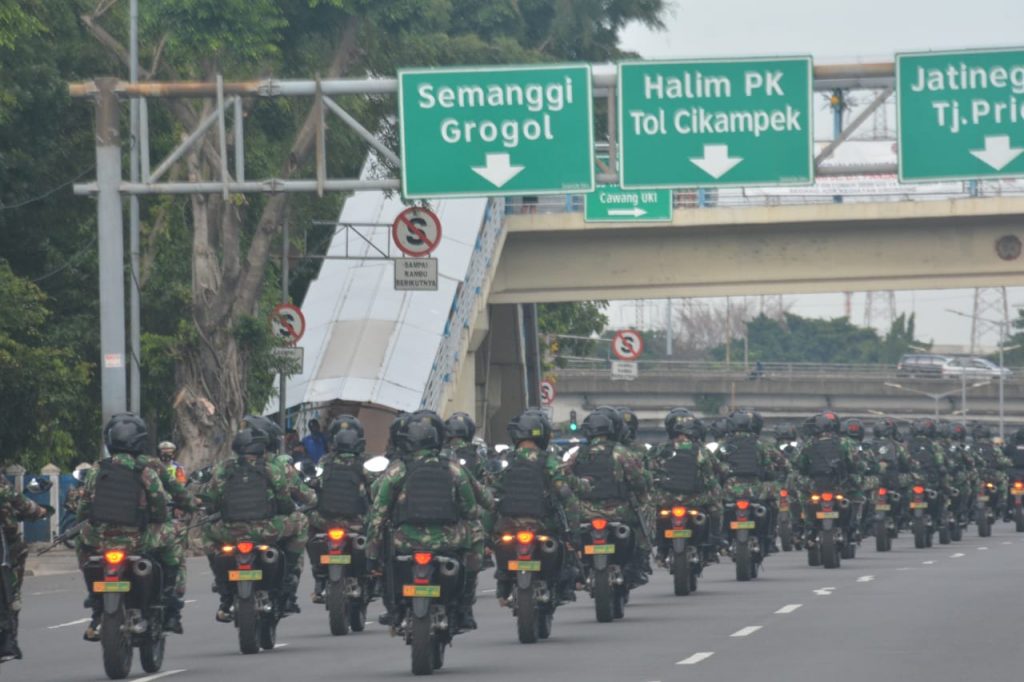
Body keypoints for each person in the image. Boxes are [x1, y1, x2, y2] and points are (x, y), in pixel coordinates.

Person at [365, 410, 482, 631]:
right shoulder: (453, 468)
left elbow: (377, 513)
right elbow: (471, 510)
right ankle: (465, 607)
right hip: (449, 540)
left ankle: (392, 609)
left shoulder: (398, 470)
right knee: (475, 533)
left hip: (405, 541)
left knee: (386, 557)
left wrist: (371, 556)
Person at [77, 413, 182, 640]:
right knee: (173, 535)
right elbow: (160, 510)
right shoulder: (145, 470)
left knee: (81, 539)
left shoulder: (97, 470)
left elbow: (83, 510)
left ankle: (94, 598)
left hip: (101, 540)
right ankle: (169, 596)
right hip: (137, 540)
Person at [200, 426, 313, 622]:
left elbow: (211, 498)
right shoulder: (271, 469)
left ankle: (220, 580)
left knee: (206, 531)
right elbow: (285, 502)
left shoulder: (224, 468)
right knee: (302, 521)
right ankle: (288, 574)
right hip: (266, 530)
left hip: (231, 531)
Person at [491, 409, 582, 604]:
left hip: (509, 525)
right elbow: (566, 496)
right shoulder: (549, 461)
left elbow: (491, 496)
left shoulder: (506, 462)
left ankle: (503, 588)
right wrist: (573, 536)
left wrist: (486, 538)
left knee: (501, 551)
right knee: (566, 553)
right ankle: (564, 589)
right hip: (543, 524)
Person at [570, 406, 651, 586]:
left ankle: (575, 571)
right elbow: (638, 480)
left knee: (569, 538)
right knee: (639, 527)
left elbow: (565, 480)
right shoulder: (620, 452)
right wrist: (641, 495)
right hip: (618, 512)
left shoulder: (578, 454)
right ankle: (637, 566)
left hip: (584, 513)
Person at [306, 416, 373, 604]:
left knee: (308, 526)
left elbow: (315, 485)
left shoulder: (325, 461)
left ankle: (319, 576)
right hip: (357, 522)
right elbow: (376, 488)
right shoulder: (365, 462)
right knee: (378, 528)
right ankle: (372, 572)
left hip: (326, 521)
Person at [647, 409, 725, 562]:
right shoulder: (700, 450)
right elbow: (711, 475)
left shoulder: (660, 449)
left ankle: (660, 549)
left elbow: (649, 472)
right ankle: (715, 542)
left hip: (666, 499)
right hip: (695, 499)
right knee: (716, 502)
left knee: (650, 510)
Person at [442, 412, 494, 628]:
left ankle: (394, 607)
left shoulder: (436, 457)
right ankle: (465, 607)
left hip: (424, 524)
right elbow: (483, 492)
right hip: (461, 520)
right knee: (475, 549)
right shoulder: (473, 457)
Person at [719, 409, 789, 552]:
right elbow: (782, 463)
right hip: (756, 490)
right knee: (772, 505)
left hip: (730, 491)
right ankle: (769, 539)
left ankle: (724, 538)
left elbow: (712, 465)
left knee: (719, 508)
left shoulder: (724, 446)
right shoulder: (761, 445)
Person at [0, 476, 53, 660]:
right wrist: (40, 511)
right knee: (11, 592)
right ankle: (8, 642)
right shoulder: (3, 488)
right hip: (7, 546)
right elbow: (22, 503)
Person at [794, 411, 865, 544]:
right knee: (857, 496)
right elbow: (856, 464)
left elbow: (799, 465)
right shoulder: (845, 443)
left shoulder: (808, 444)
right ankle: (853, 528)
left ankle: (806, 529)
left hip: (815, 486)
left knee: (803, 498)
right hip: (840, 485)